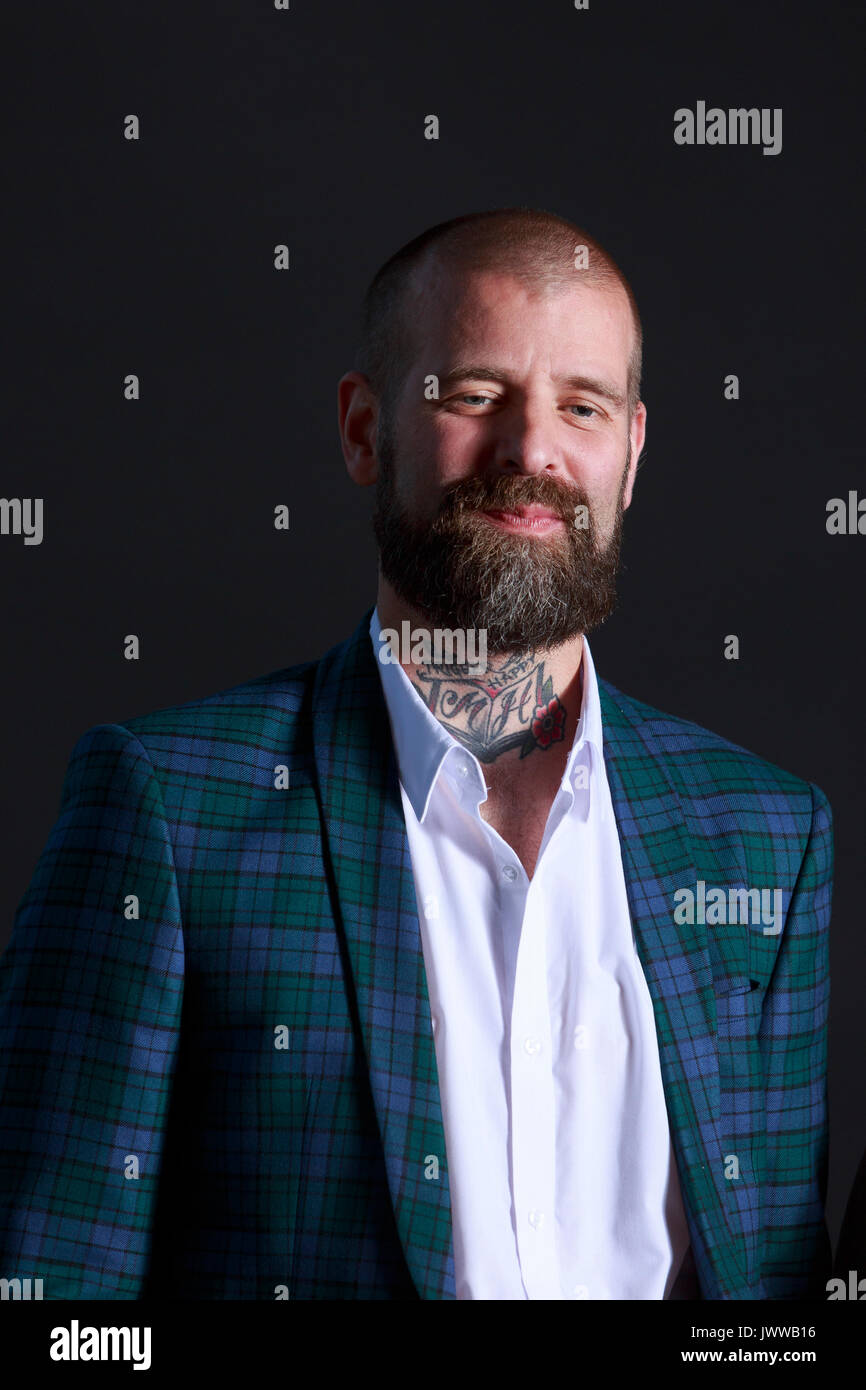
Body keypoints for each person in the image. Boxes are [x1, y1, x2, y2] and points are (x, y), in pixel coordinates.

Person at [0, 207, 832, 1301]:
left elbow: (778, 1300)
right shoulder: (165, 807)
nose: (529, 450)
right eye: (473, 394)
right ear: (362, 430)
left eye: (580, 406)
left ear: (628, 455)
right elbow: (58, 1294)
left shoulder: (768, 837)